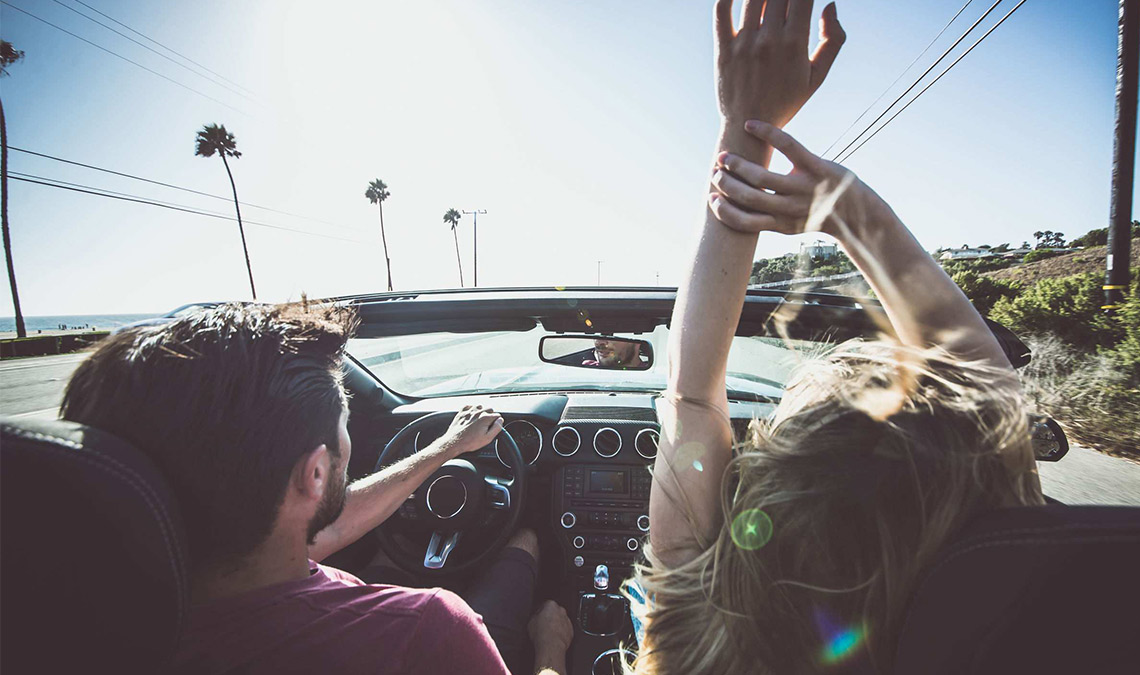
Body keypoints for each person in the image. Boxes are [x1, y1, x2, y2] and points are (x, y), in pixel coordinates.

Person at [631, 2, 1042, 674]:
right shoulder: (1011, 628)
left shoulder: (694, 650)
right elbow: (994, 402)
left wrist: (748, 129)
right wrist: (855, 212)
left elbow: (692, 395)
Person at [59, 303, 573, 675]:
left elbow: (325, 528)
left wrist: (443, 449)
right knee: (523, 541)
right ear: (315, 475)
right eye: (345, 426)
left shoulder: (65, 623)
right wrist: (551, 651)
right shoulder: (427, 632)